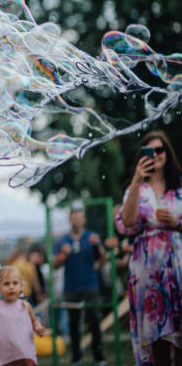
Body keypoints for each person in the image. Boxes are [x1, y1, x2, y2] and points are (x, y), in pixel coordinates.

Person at [116, 130, 182, 366]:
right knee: (157, 340)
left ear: (167, 152)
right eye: (150, 151)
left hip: (179, 267)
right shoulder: (137, 188)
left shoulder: (180, 185)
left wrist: (177, 224)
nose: (155, 154)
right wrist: (136, 179)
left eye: (159, 149)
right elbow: (129, 221)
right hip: (148, 272)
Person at [53, 200, 107, 366]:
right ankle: (76, 358)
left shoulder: (91, 237)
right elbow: (55, 265)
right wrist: (63, 255)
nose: (77, 220)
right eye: (74, 217)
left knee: (94, 321)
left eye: (80, 217)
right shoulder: (62, 241)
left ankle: (99, 358)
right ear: (70, 220)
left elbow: (103, 260)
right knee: (74, 324)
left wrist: (98, 246)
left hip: (90, 285)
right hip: (71, 287)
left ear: (84, 220)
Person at [0, 266, 45, 366]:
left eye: (15, 283)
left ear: (21, 286)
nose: (11, 287)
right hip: (3, 358)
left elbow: (34, 321)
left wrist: (38, 327)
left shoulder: (25, 306)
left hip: (25, 355)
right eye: (6, 284)